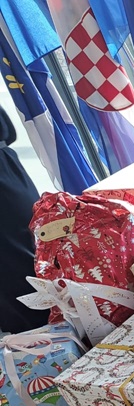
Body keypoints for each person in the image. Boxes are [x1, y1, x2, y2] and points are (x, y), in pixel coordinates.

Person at [0, 105, 47, 333]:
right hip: (9, 167)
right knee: (31, 247)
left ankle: (37, 332)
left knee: (11, 261)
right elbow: (10, 131)